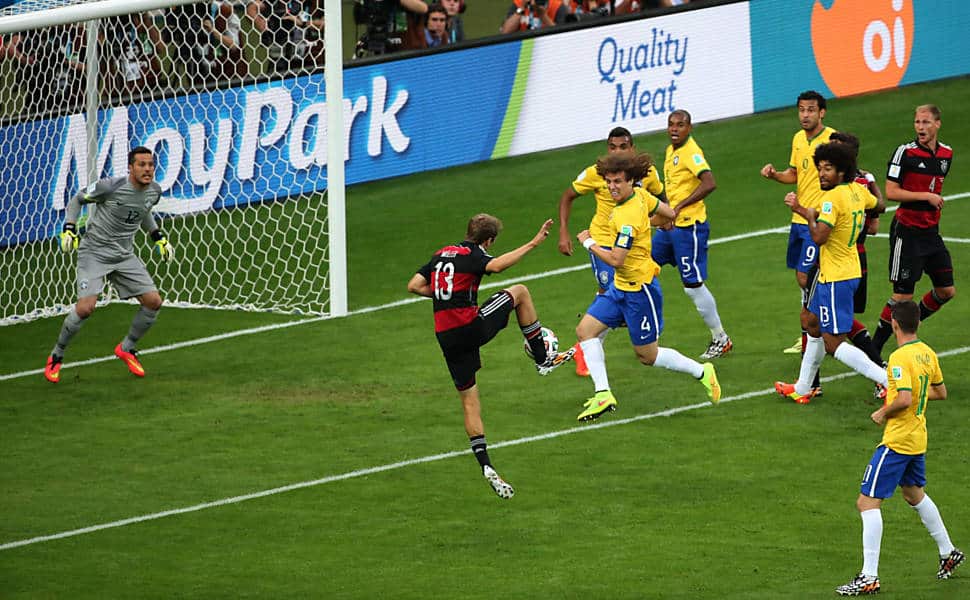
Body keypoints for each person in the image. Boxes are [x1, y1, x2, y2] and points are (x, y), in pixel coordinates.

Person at [407, 215, 575, 499]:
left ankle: (486, 465)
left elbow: (413, 285)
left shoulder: (440, 255)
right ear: (489, 240)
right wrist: (534, 243)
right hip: (469, 326)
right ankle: (542, 359)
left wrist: (445, 297)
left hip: (446, 337)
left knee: (470, 401)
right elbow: (496, 266)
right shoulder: (475, 255)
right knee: (520, 292)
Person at [573, 152, 721, 422]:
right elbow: (669, 215)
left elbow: (617, 259)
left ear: (631, 181)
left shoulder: (626, 216)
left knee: (647, 356)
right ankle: (603, 394)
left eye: (618, 181)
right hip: (620, 288)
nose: (612, 187)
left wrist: (589, 243)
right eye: (608, 182)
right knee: (585, 330)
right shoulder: (641, 197)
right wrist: (646, 226)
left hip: (640, 292)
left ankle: (703, 372)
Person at [835, 301, 964, 596]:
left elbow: (904, 399)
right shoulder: (927, 353)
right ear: (917, 323)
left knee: (866, 503)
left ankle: (869, 576)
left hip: (898, 440)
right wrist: (913, 395)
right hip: (918, 437)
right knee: (913, 494)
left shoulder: (898, 357)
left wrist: (883, 412)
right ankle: (948, 552)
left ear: (894, 325)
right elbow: (940, 392)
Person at [44, 147, 174, 384]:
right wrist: (70, 228)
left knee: (153, 302)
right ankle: (57, 355)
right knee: (85, 308)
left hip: (124, 256)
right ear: (130, 167)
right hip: (94, 253)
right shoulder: (111, 186)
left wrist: (158, 236)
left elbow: (143, 211)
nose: (147, 169)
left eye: (151, 165)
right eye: (142, 165)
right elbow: (77, 199)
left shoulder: (154, 191)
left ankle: (127, 348)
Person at [774, 142, 887, 404]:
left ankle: (886, 380)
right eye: (820, 168)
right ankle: (803, 387)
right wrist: (872, 182)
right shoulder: (858, 191)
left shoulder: (832, 199)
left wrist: (805, 214)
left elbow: (819, 237)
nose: (822, 173)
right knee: (812, 323)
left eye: (828, 169)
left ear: (842, 171)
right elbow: (879, 205)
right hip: (843, 270)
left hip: (836, 277)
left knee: (833, 343)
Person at [557, 127, 665, 377]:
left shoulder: (646, 174)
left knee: (618, 296)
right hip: (603, 242)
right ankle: (587, 348)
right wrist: (564, 231)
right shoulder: (598, 173)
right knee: (611, 289)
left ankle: (589, 341)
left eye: (623, 146)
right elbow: (567, 196)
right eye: (613, 147)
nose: (618, 151)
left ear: (632, 148)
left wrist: (658, 220)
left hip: (633, 247)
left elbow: (661, 197)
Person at [870, 105, 956, 359]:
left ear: (937, 124)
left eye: (926, 122)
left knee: (946, 291)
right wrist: (926, 197)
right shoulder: (904, 153)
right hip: (907, 232)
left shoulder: (946, 155)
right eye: (917, 122)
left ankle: (909, 323)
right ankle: (874, 350)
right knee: (901, 296)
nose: (921, 127)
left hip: (931, 233)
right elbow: (892, 192)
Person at [760, 90, 836, 367]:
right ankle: (809, 332)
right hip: (797, 220)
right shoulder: (797, 139)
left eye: (811, 110)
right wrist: (775, 175)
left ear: (822, 112)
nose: (805, 115)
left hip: (817, 220)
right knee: (800, 277)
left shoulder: (832, 140)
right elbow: (795, 174)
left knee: (807, 278)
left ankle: (815, 327)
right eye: (801, 110)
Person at [652, 110, 732, 359]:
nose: (674, 129)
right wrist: (665, 213)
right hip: (671, 226)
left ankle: (721, 338)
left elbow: (709, 182)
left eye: (680, 125)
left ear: (690, 128)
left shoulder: (691, 152)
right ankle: (643, 325)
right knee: (644, 263)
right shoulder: (670, 151)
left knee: (692, 286)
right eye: (671, 124)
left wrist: (679, 207)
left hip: (690, 227)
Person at [500, 0, 567, 33]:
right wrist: (521, 9)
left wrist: (543, 16)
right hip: (522, 45)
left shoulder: (558, 6)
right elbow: (506, 31)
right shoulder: (520, 2)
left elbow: (560, 38)